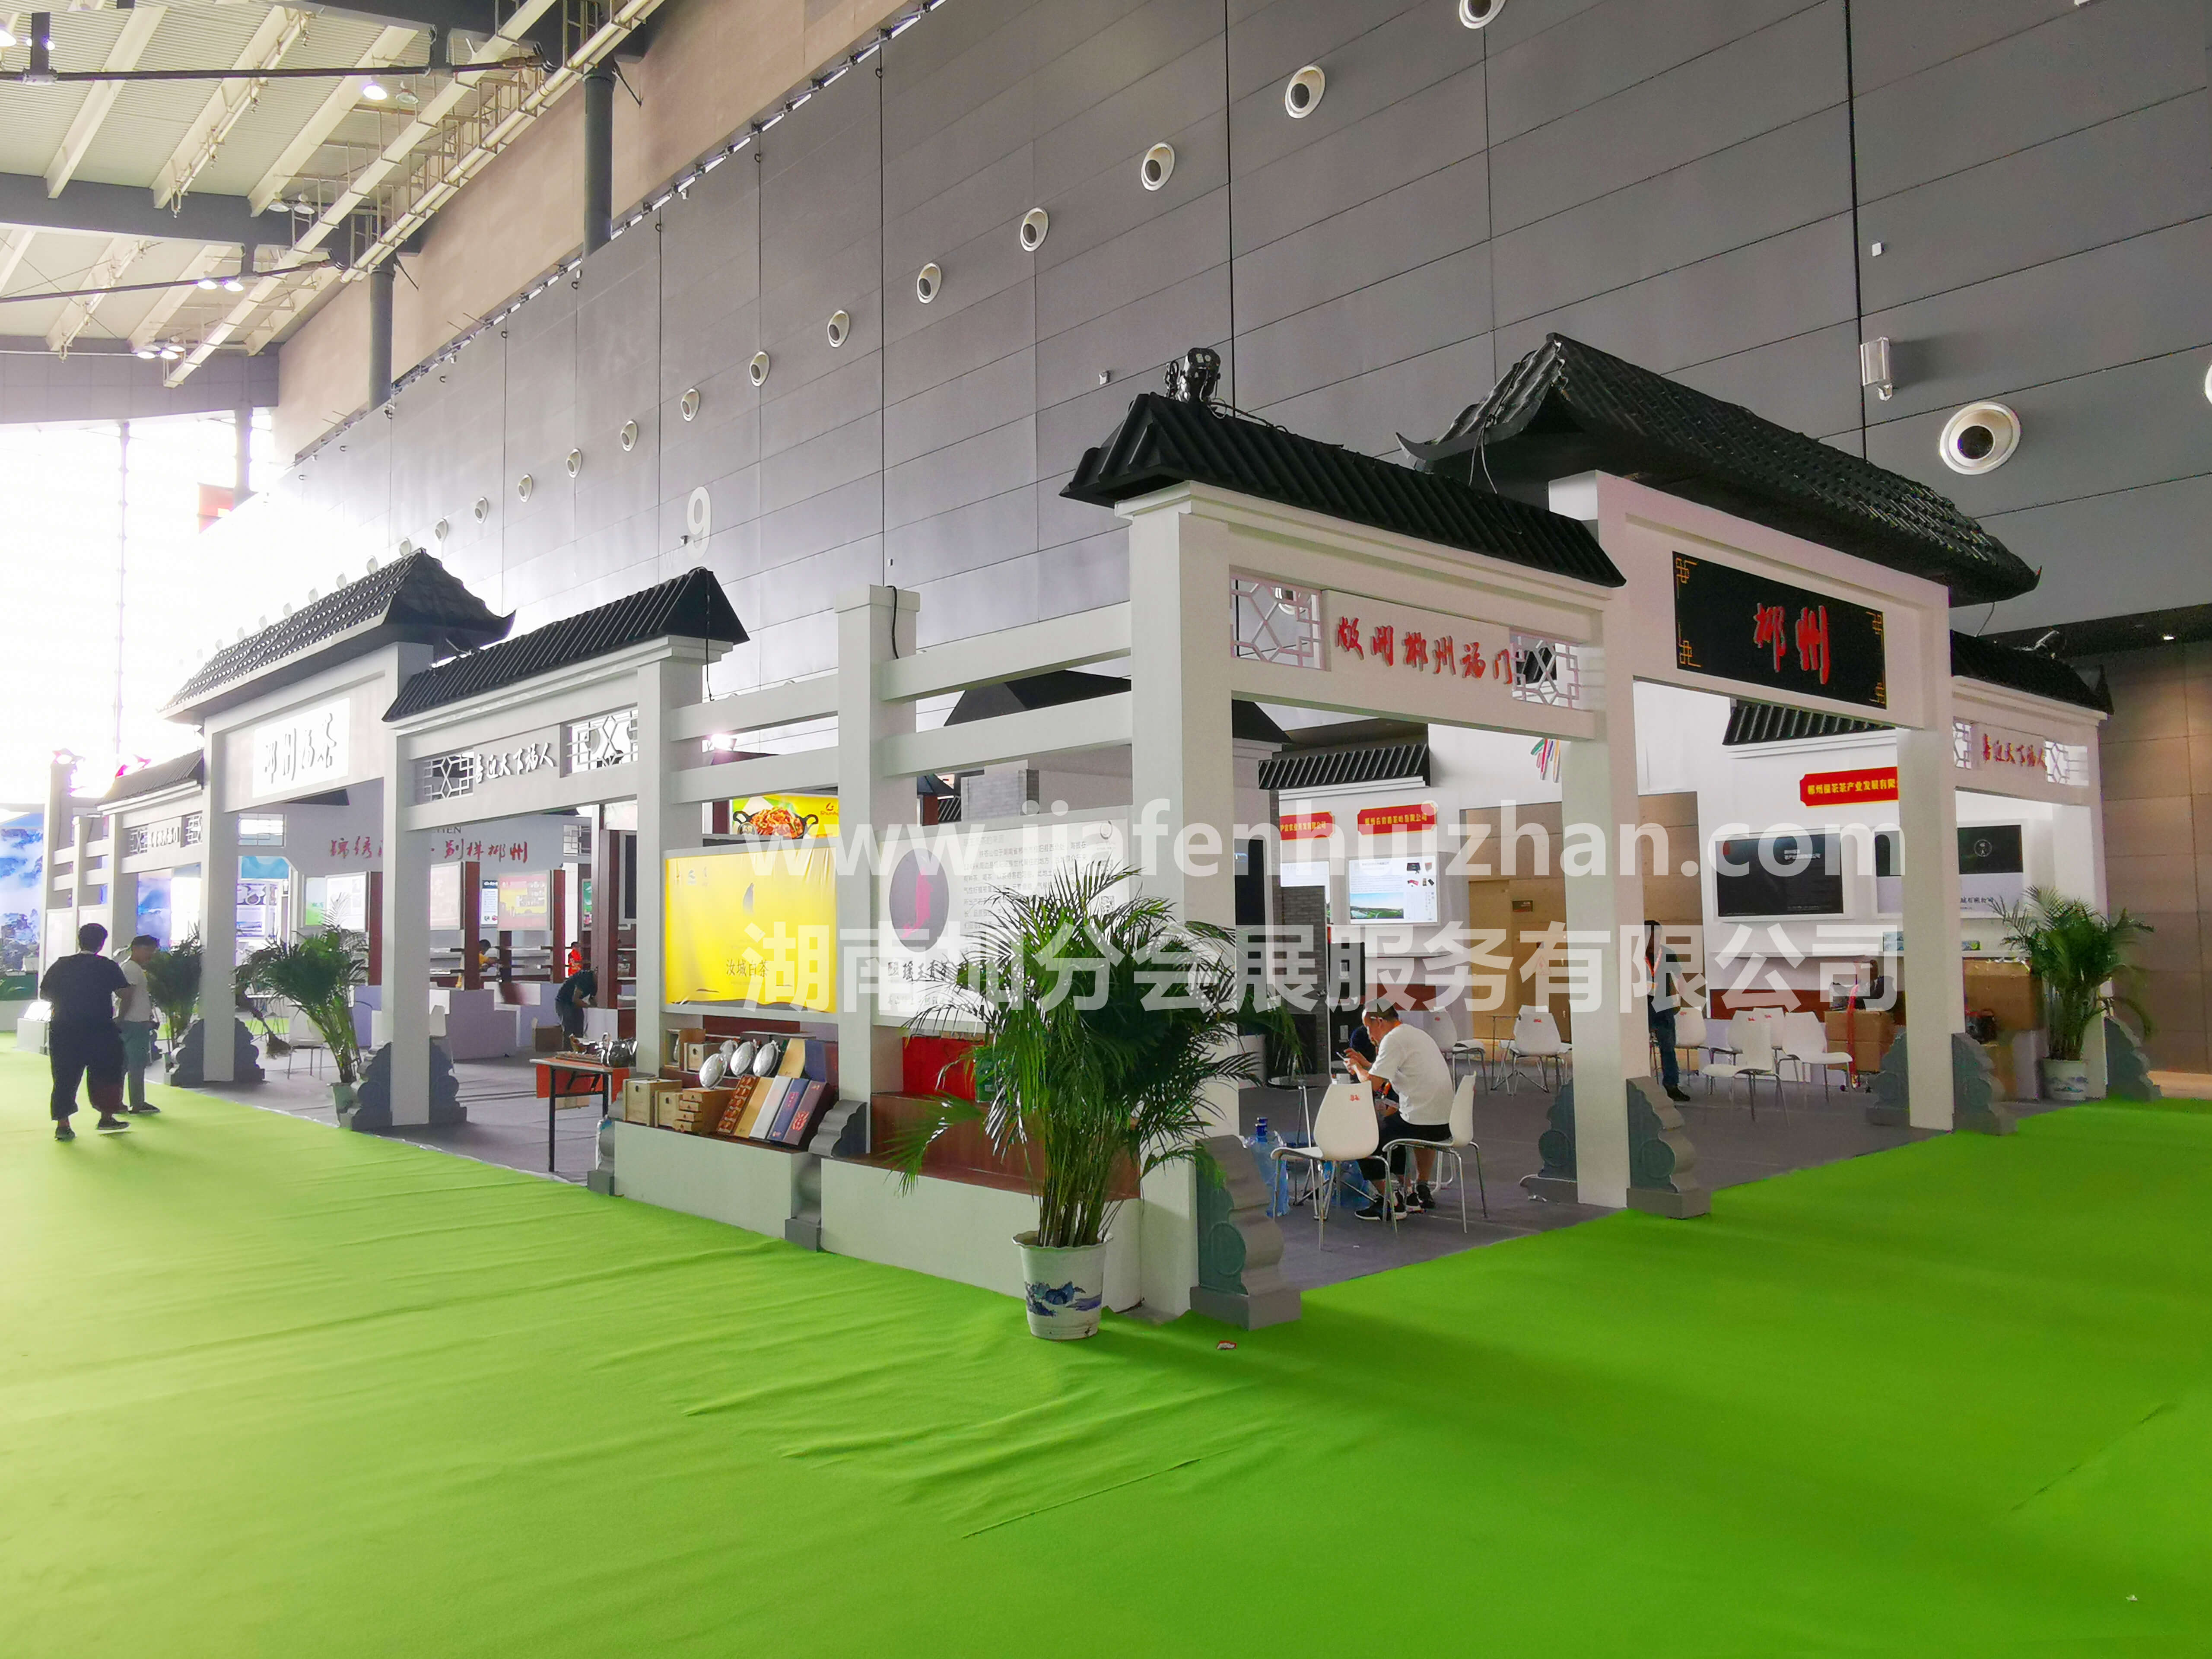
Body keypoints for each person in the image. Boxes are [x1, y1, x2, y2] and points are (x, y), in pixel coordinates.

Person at [1341, 999, 1455, 1222]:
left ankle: (1390, 1202)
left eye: (1368, 1027)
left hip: (1421, 1123)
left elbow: (1371, 1085)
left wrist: (1356, 1067)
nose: (1369, 1035)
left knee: (1361, 1140)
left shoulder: (1393, 1040)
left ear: (1379, 1021)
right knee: (1392, 1127)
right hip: (1444, 1123)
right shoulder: (1415, 1034)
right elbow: (1392, 1072)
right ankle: (1409, 1195)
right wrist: (1367, 1065)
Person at [41, 922, 132, 1140]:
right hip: (100, 1029)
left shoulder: (61, 965)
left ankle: (63, 1125)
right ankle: (107, 1117)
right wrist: (120, 1017)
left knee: (64, 1076)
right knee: (106, 1073)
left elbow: (45, 994)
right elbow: (125, 994)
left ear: (79, 940)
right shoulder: (107, 966)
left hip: (64, 1029)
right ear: (101, 944)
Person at [1646, 921, 1693, 1103]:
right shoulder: (1634, 955)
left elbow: (1680, 977)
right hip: (1641, 1006)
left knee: (1668, 1047)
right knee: (1637, 1047)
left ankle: (1671, 1086)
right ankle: (1640, 1083)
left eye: (1658, 935)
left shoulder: (1667, 954)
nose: (1655, 939)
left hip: (1664, 1006)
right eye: (1651, 935)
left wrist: (1679, 1000)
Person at [118, 934, 162, 1115]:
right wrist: (122, 1018)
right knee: (136, 1065)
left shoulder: (130, 967)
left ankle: (119, 1102)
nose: (151, 955)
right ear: (136, 948)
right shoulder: (132, 969)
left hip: (134, 1020)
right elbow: (127, 996)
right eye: (149, 950)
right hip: (134, 1022)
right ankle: (137, 1103)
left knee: (125, 1065)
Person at [554, 961, 597, 1048]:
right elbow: (576, 999)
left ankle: (579, 1049)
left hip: (573, 1003)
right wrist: (590, 1007)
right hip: (564, 1001)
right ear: (596, 972)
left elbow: (592, 999)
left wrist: (597, 1009)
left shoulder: (595, 984)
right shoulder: (585, 978)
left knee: (579, 1028)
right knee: (569, 1027)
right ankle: (567, 1051)